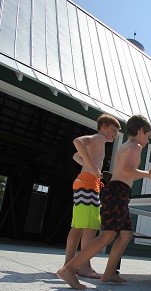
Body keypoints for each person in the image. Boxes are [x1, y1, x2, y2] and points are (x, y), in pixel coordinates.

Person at [56, 114, 151, 289]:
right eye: (148, 136)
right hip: (118, 192)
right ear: (141, 131)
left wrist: (146, 174)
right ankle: (69, 269)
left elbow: (126, 172)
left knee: (126, 234)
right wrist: (148, 174)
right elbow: (128, 172)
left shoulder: (127, 146)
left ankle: (109, 272)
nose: (148, 141)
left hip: (119, 191)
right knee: (108, 234)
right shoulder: (135, 147)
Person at [64, 113, 121, 279]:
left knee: (78, 226)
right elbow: (78, 142)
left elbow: (76, 156)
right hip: (88, 184)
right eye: (113, 130)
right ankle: (84, 266)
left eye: (117, 132)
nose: (115, 134)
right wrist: (91, 166)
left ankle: (69, 264)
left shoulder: (98, 141)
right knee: (91, 226)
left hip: (84, 182)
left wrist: (90, 167)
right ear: (103, 126)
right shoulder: (99, 138)